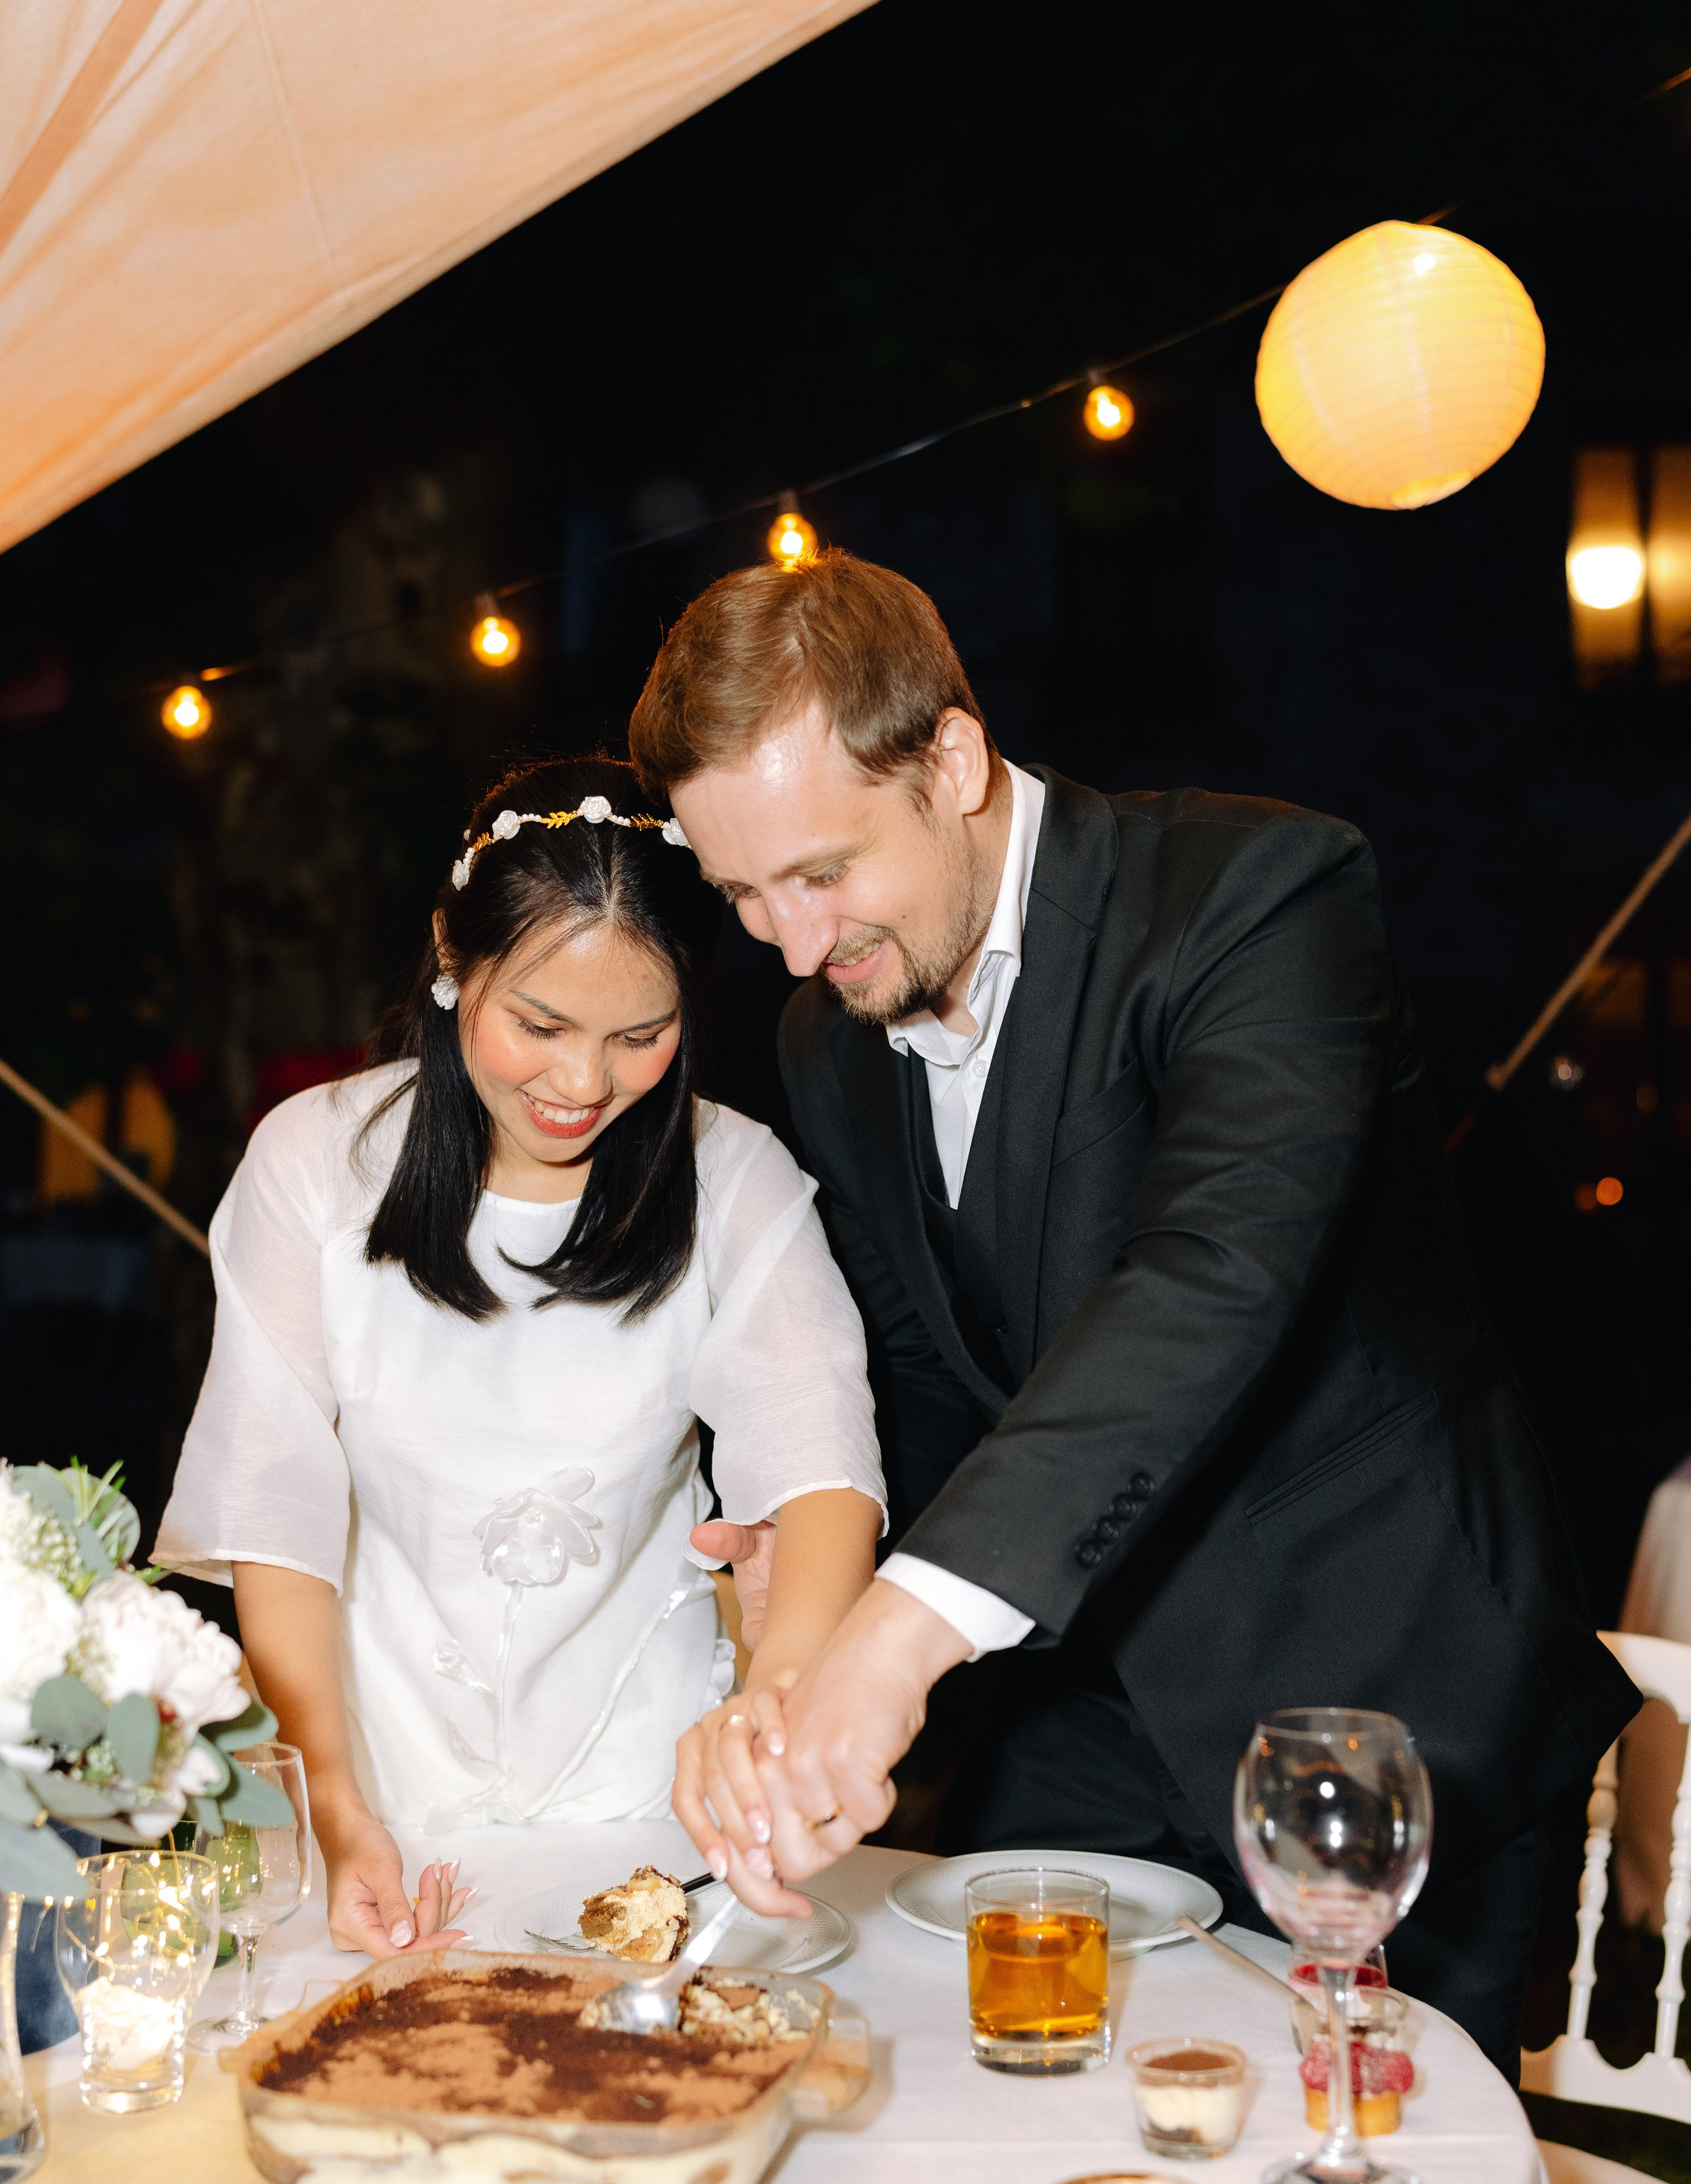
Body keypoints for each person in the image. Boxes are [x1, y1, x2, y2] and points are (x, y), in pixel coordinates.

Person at [636, 552, 1640, 2078]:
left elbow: (1212, 1281)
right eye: (740, 893)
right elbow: (926, 1365)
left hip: (1370, 1714)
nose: (785, 942)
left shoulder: (1258, 896)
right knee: (995, 2147)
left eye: (821, 871)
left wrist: (894, 1639)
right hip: (1077, 1724)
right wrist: (823, 1575)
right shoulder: (824, 1035)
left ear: (951, 760)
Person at [156, 758, 883, 1958]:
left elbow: (819, 1468)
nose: (582, 1084)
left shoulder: (737, 1177)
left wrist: (780, 1707)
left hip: (654, 1808)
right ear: (452, 957)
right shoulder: (315, 1164)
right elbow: (275, 1508)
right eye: (539, 1025)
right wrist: (332, 1805)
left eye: (640, 1035)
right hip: (378, 1783)